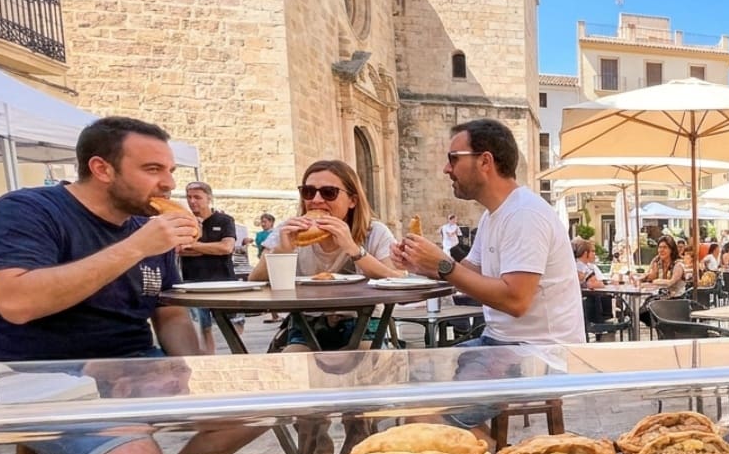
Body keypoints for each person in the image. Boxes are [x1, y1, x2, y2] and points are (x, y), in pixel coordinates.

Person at [0, 116, 201, 454]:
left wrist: (199, 371)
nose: (169, 184)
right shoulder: (24, 212)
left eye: (170, 170)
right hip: (29, 371)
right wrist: (135, 247)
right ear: (102, 169)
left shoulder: (147, 227)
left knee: (256, 412)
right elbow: (17, 303)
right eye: (153, 169)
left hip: (132, 362)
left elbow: (168, 311)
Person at [395, 118, 585, 346]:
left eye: (453, 158)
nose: (446, 169)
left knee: (424, 374)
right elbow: (469, 271)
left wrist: (442, 265)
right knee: (420, 370)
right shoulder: (493, 215)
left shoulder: (525, 213)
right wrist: (423, 264)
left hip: (540, 355)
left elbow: (516, 301)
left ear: (485, 161)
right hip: (502, 343)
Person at [250, 160, 402, 350]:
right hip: (307, 321)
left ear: (352, 200)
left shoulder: (374, 232)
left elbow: (396, 279)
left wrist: (354, 250)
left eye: (329, 192)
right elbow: (254, 280)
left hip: (363, 318)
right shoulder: (288, 230)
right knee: (294, 363)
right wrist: (282, 250)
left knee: (367, 359)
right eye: (308, 191)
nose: (316, 200)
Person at [178, 181, 238, 354]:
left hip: (223, 282)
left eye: (197, 197)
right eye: (189, 197)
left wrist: (194, 245)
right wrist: (211, 248)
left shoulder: (224, 220)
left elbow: (226, 248)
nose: (192, 201)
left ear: (209, 198)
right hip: (194, 284)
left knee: (232, 326)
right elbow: (180, 249)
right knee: (203, 329)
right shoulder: (184, 222)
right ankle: (209, 361)